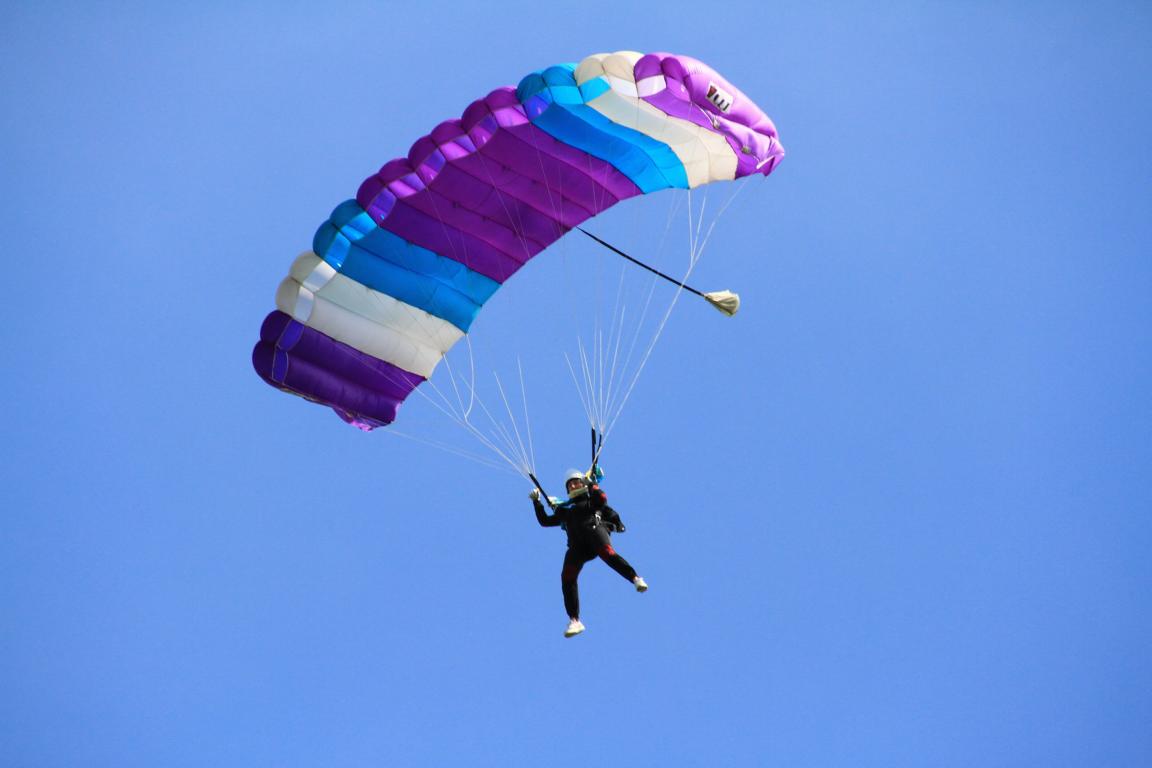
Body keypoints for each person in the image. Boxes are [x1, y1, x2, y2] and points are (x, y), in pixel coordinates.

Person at [530, 467, 647, 638]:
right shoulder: (565, 511)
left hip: (594, 533)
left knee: (607, 553)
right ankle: (574, 620)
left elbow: (602, 499)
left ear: (583, 483)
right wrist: (537, 503)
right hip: (578, 546)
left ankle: (635, 578)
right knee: (567, 577)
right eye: (569, 485)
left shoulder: (591, 501)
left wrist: (592, 485)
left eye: (576, 482)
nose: (573, 486)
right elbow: (545, 521)